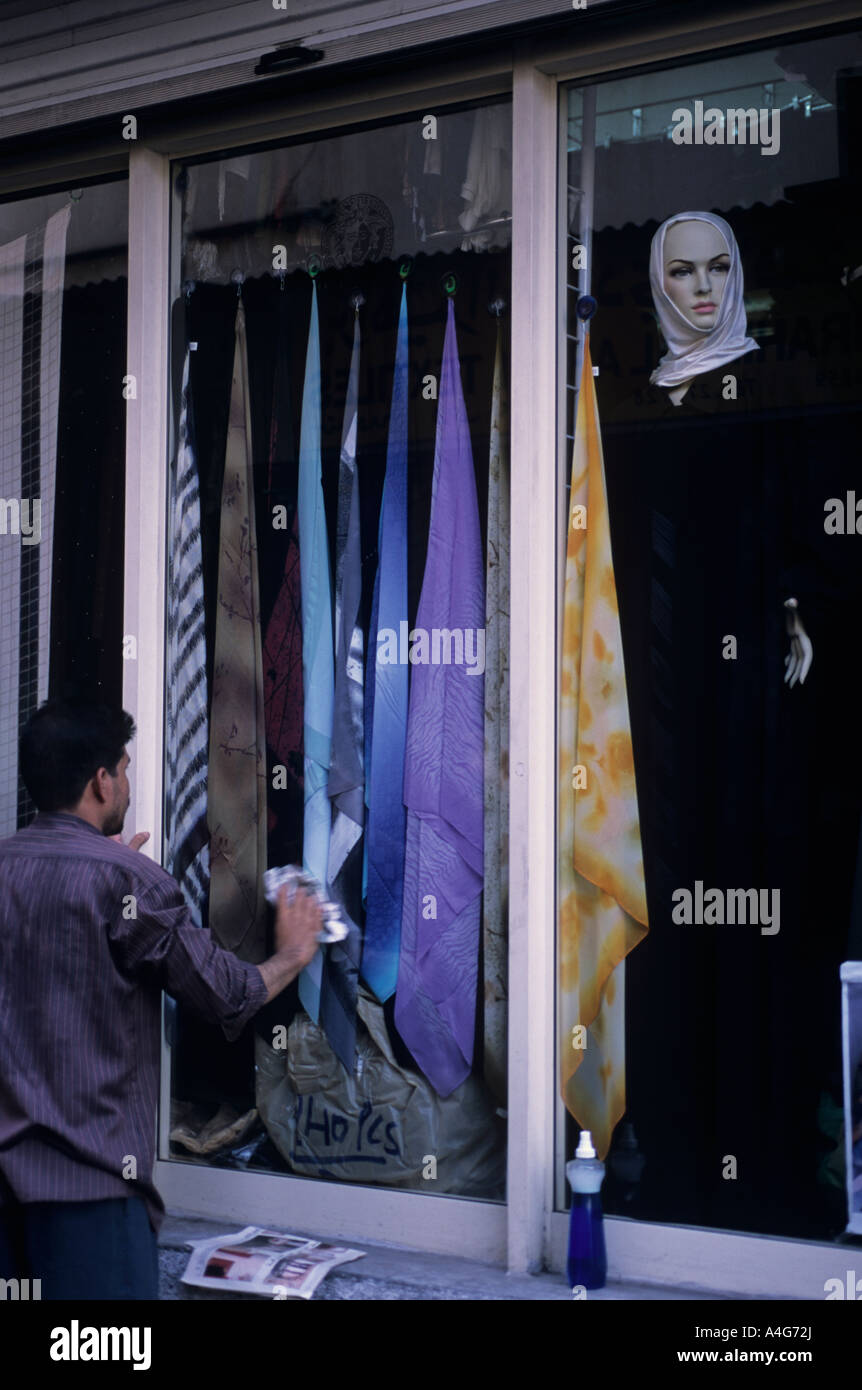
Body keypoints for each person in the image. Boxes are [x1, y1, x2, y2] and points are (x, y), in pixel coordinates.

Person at [0, 698, 322, 1300]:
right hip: (91, 1206)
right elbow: (227, 994)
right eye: (124, 767)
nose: (129, 780)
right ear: (101, 782)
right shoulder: (128, 880)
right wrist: (293, 954)